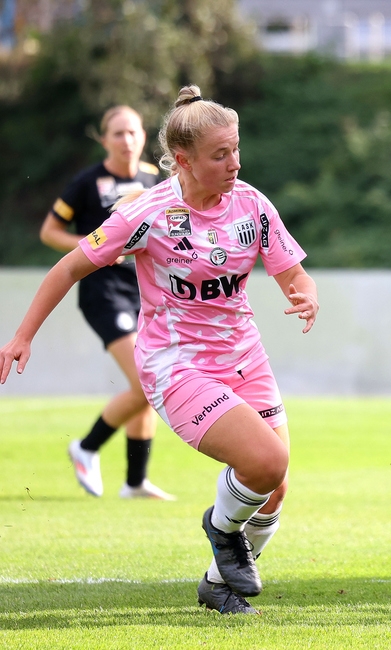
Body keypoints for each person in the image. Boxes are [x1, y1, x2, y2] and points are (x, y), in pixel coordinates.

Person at [0, 85, 319, 615]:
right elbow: (69, 265)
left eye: (237, 149)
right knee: (267, 460)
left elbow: (293, 274)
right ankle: (219, 527)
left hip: (245, 357)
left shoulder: (252, 205)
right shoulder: (147, 213)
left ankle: (218, 585)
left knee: (275, 485)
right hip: (176, 365)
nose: (234, 162)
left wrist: (305, 296)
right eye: (221, 155)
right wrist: (22, 335)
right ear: (185, 160)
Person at [40, 105, 175, 500]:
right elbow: (50, 232)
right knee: (145, 381)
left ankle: (134, 482)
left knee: (148, 382)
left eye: (132, 132)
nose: (126, 140)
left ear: (144, 138)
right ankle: (86, 446)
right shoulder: (86, 182)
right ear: (104, 140)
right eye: (117, 133)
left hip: (145, 293)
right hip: (102, 293)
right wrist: (94, 248)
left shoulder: (153, 178)